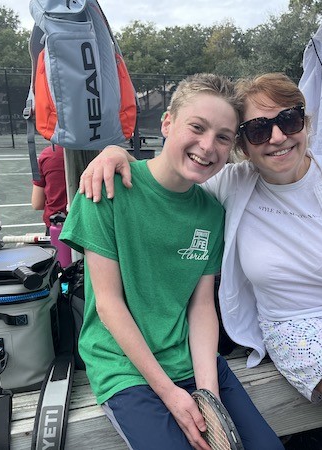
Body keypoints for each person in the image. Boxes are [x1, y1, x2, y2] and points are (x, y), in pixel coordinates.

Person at [79, 73, 322, 450]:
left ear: (307, 122)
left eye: (289, 119)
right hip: (299, 331)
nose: (278, 137)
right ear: (245, 148)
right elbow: (174, 170)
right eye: (257, 129)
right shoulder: (230, 183)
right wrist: (115, 153)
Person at [59, 73, 283, 450]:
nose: (207, 145)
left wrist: (208, 397)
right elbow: (109, 305)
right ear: (167, 123)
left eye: (223, 137)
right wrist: (170, 395)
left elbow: (200, 307)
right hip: (125, 369)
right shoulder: (105, 189)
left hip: (192, 361)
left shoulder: (212, 212)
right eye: (197, 127)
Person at [31, 143, 67, 232]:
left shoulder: (48, 154)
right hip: (93, 225)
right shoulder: (101, 154)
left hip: (58, 224)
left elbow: (37, 204)